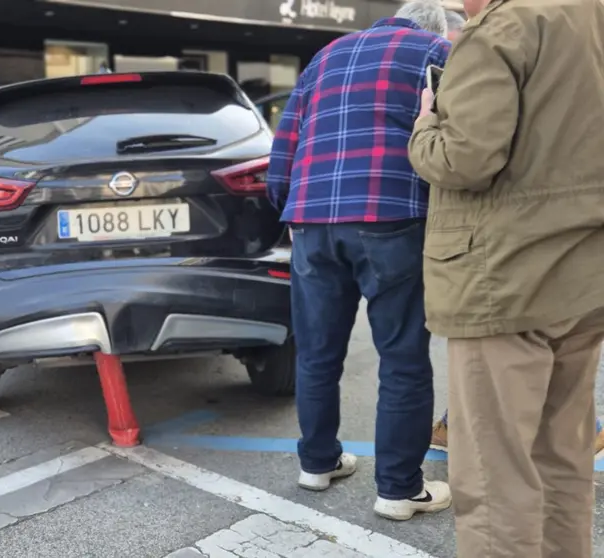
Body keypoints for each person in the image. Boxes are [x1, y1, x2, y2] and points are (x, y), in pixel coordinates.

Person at [408, 0, 604, 554]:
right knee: (562, 459)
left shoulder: (502, 27)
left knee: (495, 480)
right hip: (585, 271)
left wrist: (425, 124)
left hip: (504, 276)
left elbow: (463, 158)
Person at [267, 0, 452, 521]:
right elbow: (452, 137)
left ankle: (317, 464)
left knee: (317, 352)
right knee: (403, 357)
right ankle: (398, 490)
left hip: (311, 219)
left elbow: (286, 146)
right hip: (392, 214)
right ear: (435, 26)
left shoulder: (324, 55)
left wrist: (290, 208)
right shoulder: (437, 52)